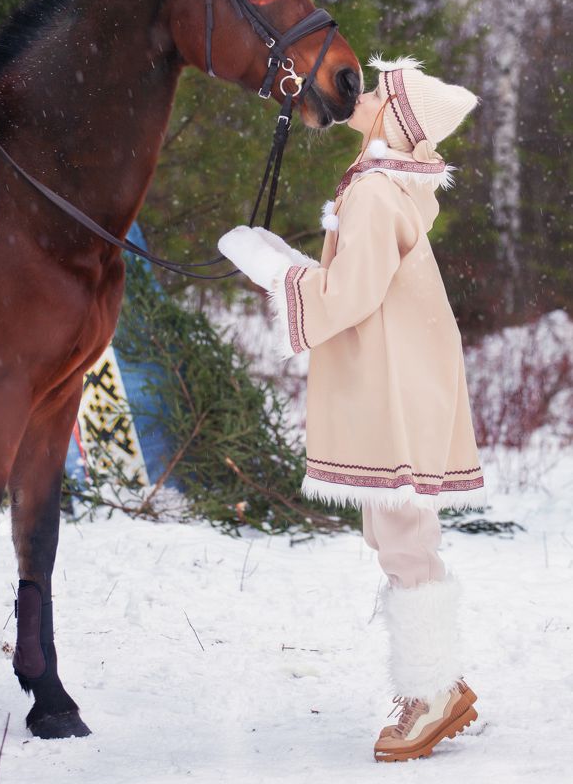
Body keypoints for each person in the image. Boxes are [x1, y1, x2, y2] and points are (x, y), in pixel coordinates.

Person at [218, 56, 485, 763]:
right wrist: (287, 262)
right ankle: (438, 678)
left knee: (399, 529)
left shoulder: (373, 191)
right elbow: (356, 281)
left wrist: (275, 269)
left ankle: (431, 692)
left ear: (396, 118)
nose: (361, 94)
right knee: (398, 525)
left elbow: (348, 294)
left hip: (393, 380)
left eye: (378, 92)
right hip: (402, 372)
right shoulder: (388, 186)